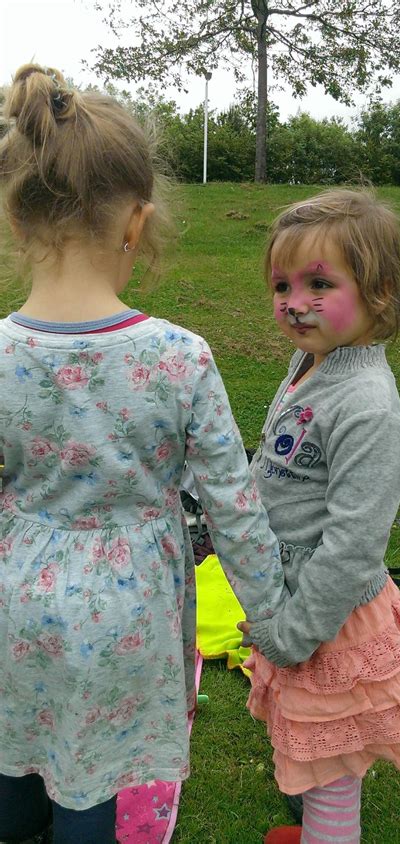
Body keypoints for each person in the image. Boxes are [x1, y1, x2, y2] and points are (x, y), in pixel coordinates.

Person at [0, 64, 288, 844]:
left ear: (18, 223)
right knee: (92, 783)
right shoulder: (180, 357)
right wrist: (275, 626)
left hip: (16, 595)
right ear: (137, 224)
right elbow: (234, 506)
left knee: (17, 751)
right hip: (130, 614)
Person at [237, 189, 400, 844]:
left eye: (319, 283)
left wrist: (294, 632)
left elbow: (352, 547)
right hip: (299, 598)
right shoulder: (312, 364)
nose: (294, 301)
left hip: (329, 617)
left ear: (377, 294)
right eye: (282, 284)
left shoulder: (369, 408)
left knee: (329, 768)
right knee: (316, 757)